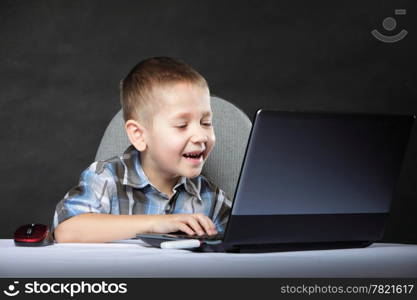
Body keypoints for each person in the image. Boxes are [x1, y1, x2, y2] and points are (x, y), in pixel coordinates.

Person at [52, 57, 231, 243]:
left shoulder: (212, 198)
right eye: (181, 125)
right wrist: (156, 224)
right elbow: (66, 230)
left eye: (206, 123)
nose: (201, 136)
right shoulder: (106, 178)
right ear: (139, 135)